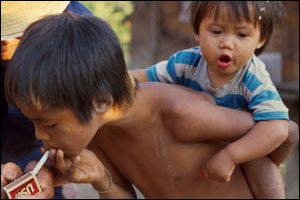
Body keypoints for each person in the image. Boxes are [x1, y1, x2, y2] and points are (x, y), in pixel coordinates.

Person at [4, 11, 294, 199]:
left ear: (101, 101)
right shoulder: (97, 130)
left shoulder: (181, 113)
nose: (39, 135)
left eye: (48, 123)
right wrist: (99, 179)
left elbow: (286, 132)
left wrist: (232, 156)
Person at [130, 1, 299, 198]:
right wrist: (111, 79)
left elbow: (277, 128)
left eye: (242, 35)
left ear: (260, 39)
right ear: (197, 31)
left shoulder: (254, 78)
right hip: (199, 140)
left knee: (262, 165)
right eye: (216, 31)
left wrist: (231, 156)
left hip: (242, 143)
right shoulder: (187, 62)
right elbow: (145, 76)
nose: (227, 43)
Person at [1, 1, 92, 199]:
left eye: (12, 28)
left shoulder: (79, 36)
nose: (5, 42)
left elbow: (91, 133)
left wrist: (52, 171)